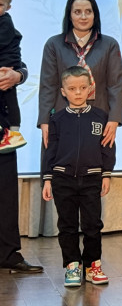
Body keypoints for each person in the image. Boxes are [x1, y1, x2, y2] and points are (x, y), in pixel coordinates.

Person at [42, 66, 115, 287]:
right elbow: (49, 150)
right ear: (63, 91)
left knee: (93, 224)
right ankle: (72, 266)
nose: (77, 92)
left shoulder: (101, 117)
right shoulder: (57, 119)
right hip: (62, 179)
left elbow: (107, 147)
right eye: (72, 88)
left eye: (83, 88)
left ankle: (93, 266)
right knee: (67, 225)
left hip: (92, 179)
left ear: (90, 89)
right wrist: (47, 179)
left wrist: (106, 174)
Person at [38, 0, 122, 149]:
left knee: (96, 161)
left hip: (99, 119)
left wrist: (114, 119)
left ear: (95, 15)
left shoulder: (109, 45)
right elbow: (48, 86)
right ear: (69, 15)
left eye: (88, 11)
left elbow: (115, 85)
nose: (83, 17)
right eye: (77, 12)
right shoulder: (54, 44)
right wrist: (44, 121)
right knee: (60, 161)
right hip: (62, 119)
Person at [0, 61, 43, 274]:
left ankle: (9, 255)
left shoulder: (6, 44)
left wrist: (18, 76)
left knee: (7, 194)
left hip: (5, 130)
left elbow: (20, 66)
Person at [0, 0, 26, 151]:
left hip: (7, 66)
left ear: (8, 7)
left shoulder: (5, 23)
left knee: (9, 94)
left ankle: (14, 133)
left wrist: (18, 74)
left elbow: (22, 68)